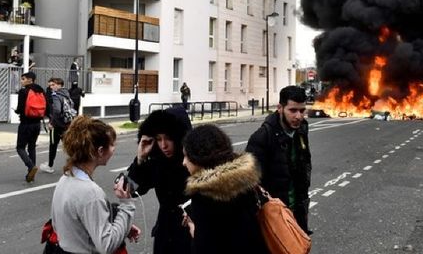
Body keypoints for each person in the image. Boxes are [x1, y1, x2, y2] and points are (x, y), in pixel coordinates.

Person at [50, 116, 141, 253]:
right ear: (100, 151)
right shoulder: (91, 193)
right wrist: (126, 204)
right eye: (111, 145)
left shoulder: (66, 178)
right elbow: (107, 245)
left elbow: (71, 226)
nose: (114, 149)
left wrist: (121, 227)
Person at [182, 124, 268, 253]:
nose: (183, 162)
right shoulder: (244, 182)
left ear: (200, 157)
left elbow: (204, 248)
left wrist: (192, 226)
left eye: (186, 156)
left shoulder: (204, 195)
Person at [125, 107, 193, 253]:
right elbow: (130, 189)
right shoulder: (157, 161)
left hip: (191, 233)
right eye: (158, 139)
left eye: (168, 138)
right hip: (165, 233)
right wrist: (140, 158)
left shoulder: (195, 161)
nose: (163, 145)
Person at [246, 85, 312, 233]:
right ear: (280, 108)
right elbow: (250, 184)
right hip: (274, 216)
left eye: (302, 111)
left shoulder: (301, 130)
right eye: (293, 110)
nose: (298, 116)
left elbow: (304, 165)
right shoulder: (262, 138)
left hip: (298, 210)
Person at [14, 71, 46, 182]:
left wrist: (17, 111)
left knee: (20, 147)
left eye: (23, 79)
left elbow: (20, 108)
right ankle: (31, 174)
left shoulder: (24, 91)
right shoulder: (41, 91)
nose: (21, 81)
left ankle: (31, 166)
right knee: (32, 147)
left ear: (30, 80)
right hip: (37, 124)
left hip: (26, 123)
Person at [40, 77, 73, 174]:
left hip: (57, 125)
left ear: (59, 85)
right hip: (67, 124)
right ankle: (73, 166)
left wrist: (51, 123)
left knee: (53, 145)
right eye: (50, 85)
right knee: (68, 147)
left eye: (53, 85)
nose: (51, 87)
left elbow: (57, 110)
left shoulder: (56, 96)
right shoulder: (67, 94)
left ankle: (50, 166)